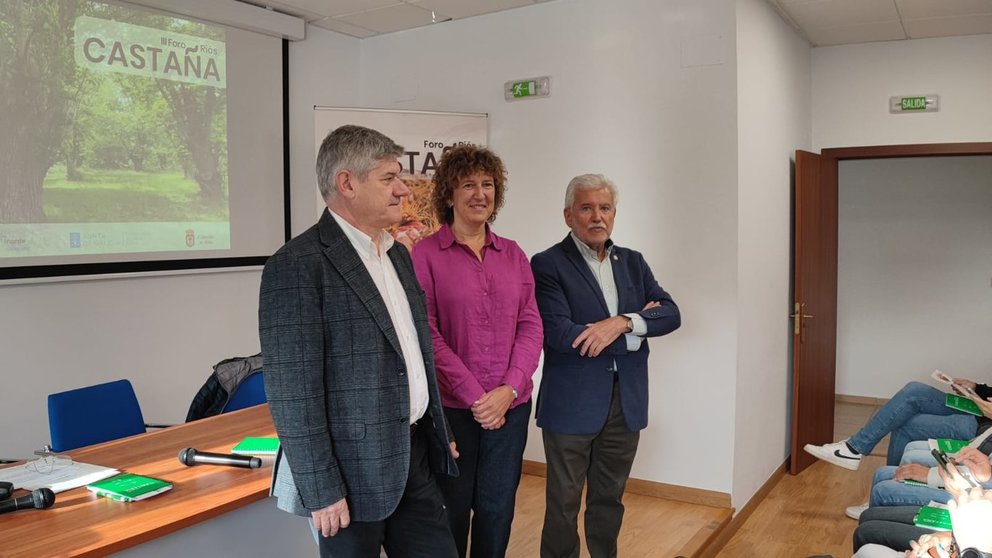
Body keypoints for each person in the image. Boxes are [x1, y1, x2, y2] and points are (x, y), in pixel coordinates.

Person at [258, 125, 459, 558]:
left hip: (414, 456)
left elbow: (413, 353)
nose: (404, 190)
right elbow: (293, 392)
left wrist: (438, 431)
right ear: (347, 183)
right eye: (389, 178)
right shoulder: (296, 266)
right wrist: (320, 487)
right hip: (348, 479)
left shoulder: (398, 255)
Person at [531, 173, 681, 558]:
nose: (597, 217)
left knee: (609, 498)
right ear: (568, 215)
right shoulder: (548, 264)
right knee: (563, 504)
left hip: (625, 402)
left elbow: (672, 314)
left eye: (605, 208)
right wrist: (636, 330)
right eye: (586, 208)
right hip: (571, 404)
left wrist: (622, 322)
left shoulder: (632, 261)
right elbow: (561, 333)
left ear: (614, 214)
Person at [411, 145, 543, 558]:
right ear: (449, 195)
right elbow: (426, 333)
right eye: (468, 184)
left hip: (511, 407)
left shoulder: (515, 254)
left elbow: (531, 324)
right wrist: (476, 396)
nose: (479, 193)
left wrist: (509, 389)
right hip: (453, 410)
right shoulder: (424, 255)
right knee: (450, 510)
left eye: (487, 184)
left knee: (496, 510)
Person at [804, 379, 992, 470]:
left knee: (905, 424)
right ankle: (854, 449)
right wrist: (977, 387)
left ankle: (886, 486)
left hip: (985, 428)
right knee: (914, 390)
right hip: (981, 410)